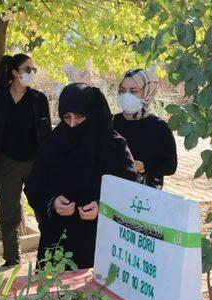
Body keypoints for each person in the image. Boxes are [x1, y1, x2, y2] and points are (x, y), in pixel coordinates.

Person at [24, 83, 139, 269]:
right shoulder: (54, 142)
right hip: (59, 240)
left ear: (93, 114)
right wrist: (53, 203)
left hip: (101, 240)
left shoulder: (113, 146)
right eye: (66, 117)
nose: (72, 124)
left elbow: (131, 192)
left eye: (79, 117)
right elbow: (34, 187)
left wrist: (103, 207)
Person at [0, 53, 52, 267]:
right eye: (27, 69)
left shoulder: (39, 100)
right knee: (8, 213)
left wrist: (50, 167)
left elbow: (47, 136)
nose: (31, 73)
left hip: (35, 164)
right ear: (14, 72)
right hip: (7, 163)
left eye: (33, 70)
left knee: (42, 209)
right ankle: (12, 258)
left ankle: (48, 256)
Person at [113, 68, 177, 189]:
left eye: (133, 91)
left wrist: (144, 166)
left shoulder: (159, 127)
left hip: (146, 198)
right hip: (114, 193)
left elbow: (170, 166)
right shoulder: (112, 122)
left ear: (148, 92)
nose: (126, 96)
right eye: (122, 90)